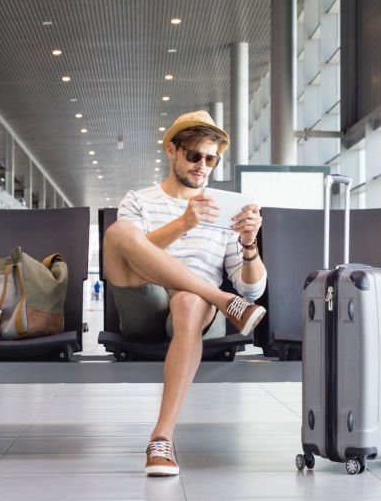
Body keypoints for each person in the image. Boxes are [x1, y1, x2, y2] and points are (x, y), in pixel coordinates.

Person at [102, 110, 267, 476]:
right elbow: (128, 253)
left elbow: (251, 288)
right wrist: (183, 223)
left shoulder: (226, 210)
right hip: (146, 300)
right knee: (118, 234)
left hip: (195, 314)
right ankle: (223, 302)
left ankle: (161, 438)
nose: (202, 166)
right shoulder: (139, 200)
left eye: (211, 159)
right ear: (171, 151)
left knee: (190, 300)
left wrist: (249, 243)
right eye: (194, 156)